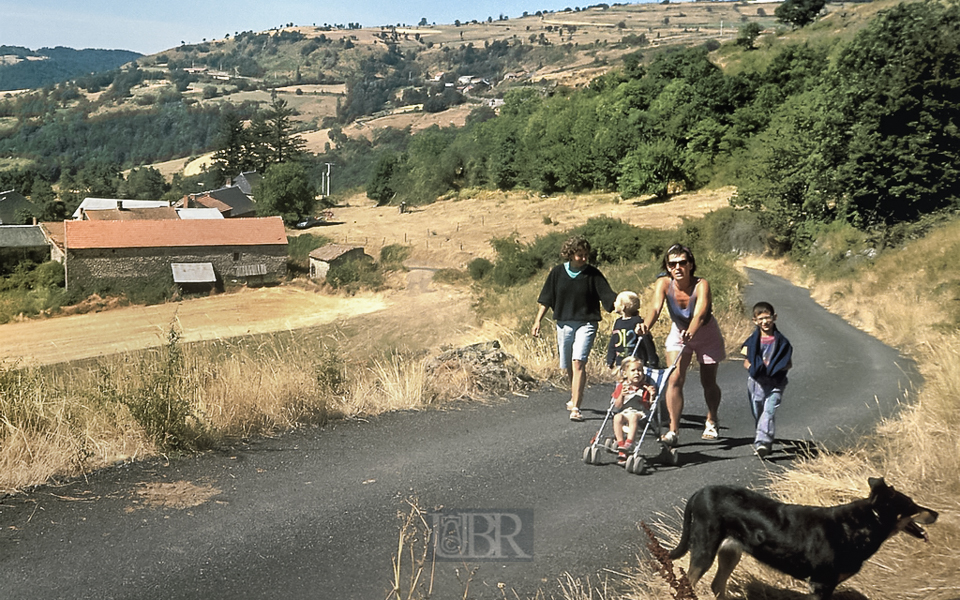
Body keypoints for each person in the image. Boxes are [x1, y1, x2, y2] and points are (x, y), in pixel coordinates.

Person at [636, 244, 725, 445]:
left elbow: (701, 313)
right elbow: (655, 308)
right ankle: (673, 430)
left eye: (682, 263)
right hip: (679, 332)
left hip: (705, 332)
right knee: (673, 377)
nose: (678, 267)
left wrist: (691, 332)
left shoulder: (701, 284)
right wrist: (646, 325)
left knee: (708, 381)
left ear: (690, 264)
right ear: (667, 267)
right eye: (672, 264)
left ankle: (712, 418)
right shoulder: (664, 283)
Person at [532, 235, 617, 421]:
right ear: (570, 254)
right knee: (569, 364)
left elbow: (608, 296)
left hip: (587, 323)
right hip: (564, 323)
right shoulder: (557, 273)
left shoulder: (593, 274)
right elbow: (546, 298)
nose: (584, 258)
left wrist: (623, 305)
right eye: (580, 255)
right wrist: (538, 320)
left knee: (579, 362)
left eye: (586, 254)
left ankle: (576, 407)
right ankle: (575, 395)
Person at [741, 301, 793, 458]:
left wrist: (775, 368)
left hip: (776, 382)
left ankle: (762, 442)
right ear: (755, 321)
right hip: (756, 382)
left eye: (768, 317)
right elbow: (746, 361)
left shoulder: (782, 343)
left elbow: (788, 363)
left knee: (768, 412)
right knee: (759, 412)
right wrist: (755, 369)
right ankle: (765, 439)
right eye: (761, 319)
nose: (765, 322)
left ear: (774, 317)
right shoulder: (751, 342)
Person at [611, 357, 657, 465]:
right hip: (625, 411)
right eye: (633, 370)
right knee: (617, 417)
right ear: (625, 374)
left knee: (633, 416)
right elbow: (617, 406)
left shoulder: (645, 387)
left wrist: (651, 395)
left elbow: (648, 406)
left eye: (639, 370)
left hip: (640, 412)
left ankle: (630, 442)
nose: (637, 373)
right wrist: (622, 395)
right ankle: (621, 444)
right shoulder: (622, 386)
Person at [606, 291, 660, 371]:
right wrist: (610, 360)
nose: (614, 303)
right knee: (622, 383)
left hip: (636, 363)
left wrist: (652, 361)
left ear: (623, 307)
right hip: (620, 364)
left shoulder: (638, 322)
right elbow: (614, 342)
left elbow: (647, 341)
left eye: (616, 301)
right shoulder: (618, 322)